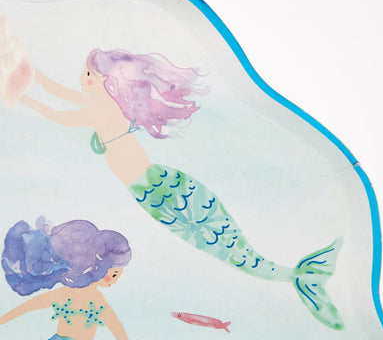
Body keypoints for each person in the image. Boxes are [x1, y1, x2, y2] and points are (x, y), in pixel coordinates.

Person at [14, 48, 343, 330]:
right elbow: (63, 95)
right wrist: (29, 72)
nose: (82, 79)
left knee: (225, 246)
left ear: (107, 82)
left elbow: (57, 112)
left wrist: (21, 94)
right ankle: (295, 276)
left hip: (159, 193)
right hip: (161, 184)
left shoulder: (102, 111)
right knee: (228, 245)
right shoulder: (106, 107)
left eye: (88, 74)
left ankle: (297, 277)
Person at [0, 218, 131, 340]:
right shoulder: (73, 295)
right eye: (114, 275)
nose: (115, 281)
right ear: (98, 268)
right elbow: (27, 307)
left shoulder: (93, 298)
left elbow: (116, 327)